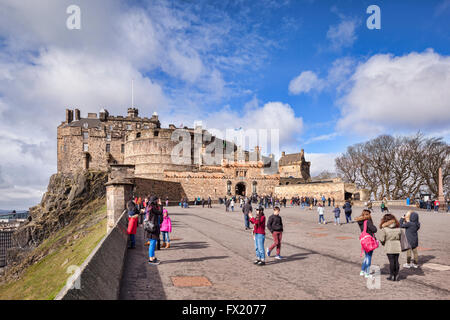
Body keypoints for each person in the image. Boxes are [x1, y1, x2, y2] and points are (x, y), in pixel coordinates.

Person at [379, 214, 402, 281]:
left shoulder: (385, 229)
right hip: (397, 245)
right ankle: (396, 274)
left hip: (389, 245)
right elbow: (400, 238)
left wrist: (384, 243)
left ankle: (392, 275)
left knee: (391, 261)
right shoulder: (398, 228)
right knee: (396, 261)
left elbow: (382, 239)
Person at [355, 210, 377, 278]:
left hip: (364, 240)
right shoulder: (368, 222)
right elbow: (374, 230)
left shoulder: (360, 221)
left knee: (366, 256)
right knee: (369, 257)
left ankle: (362, 271)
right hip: (369, 241)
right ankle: (367, 273)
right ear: (368, 215)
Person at [145, 196, 163, 265]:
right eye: (157, 200)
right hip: (153, 227)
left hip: (152, 227)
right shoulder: (152, 207)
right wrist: (161, 205)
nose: (158, 201)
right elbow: (160, 212)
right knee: (152, 243)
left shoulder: (150, 206)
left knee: (153, 243)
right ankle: (150, 259)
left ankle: (152, 257)